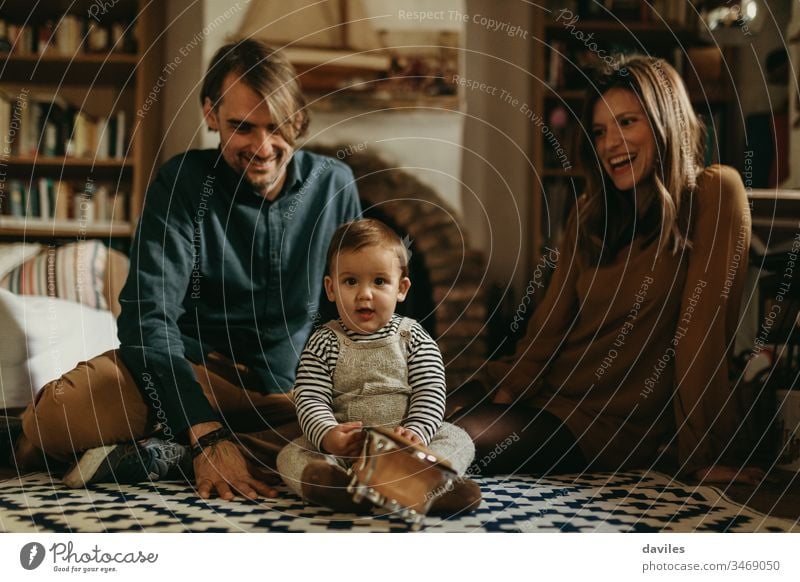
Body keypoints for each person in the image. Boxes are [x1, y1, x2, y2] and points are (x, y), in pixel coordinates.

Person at [0, 39, 361, 500]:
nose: (264, 147)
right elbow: (147, 317)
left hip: (289, 391)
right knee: (61, 414)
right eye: (242, 128)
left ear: (299, 117)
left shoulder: (334, 183)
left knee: (371, 419)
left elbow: (352, 307)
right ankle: (186, 442)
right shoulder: (181, 183)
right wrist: (206, 432)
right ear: (210, 114)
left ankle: (156, 455)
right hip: (192, 374)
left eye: (280, 127)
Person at [450, 55, 762, 485]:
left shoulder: (714, 193)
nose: (611, 143)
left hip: (606, 423)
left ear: (664, 122)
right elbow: (550, 324)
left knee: (451, 442)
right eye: (600, 131)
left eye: (627, 122)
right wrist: (504, 392)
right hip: (545, 389)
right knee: (415, 418)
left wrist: (705, 452)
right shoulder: (590, 213)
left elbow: (701, 332)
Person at [277, 219, 479, 513]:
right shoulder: (324, 342)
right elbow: (310, 397)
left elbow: (431, 390)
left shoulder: (413, 338)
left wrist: (417, 432)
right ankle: (335, 487)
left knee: (457, 437)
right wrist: (328, 434)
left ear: (402, 288)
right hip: (350, 453)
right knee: (292, 453)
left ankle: (436, 483)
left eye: (379, 281)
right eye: (350, 281)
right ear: (331, 289)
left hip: (408, 451)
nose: (365, 294)